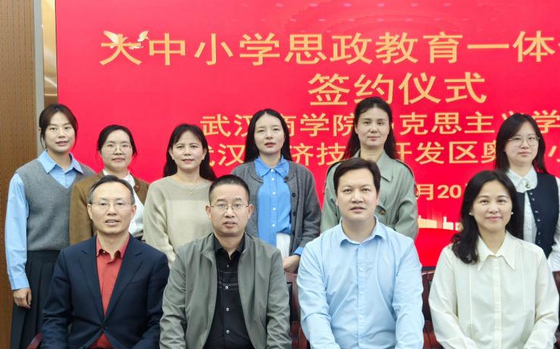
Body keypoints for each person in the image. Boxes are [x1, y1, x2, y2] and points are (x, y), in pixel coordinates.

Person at [151, 175, 295, 349]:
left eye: (237, 205)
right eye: (221, 205)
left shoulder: (268, 257)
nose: (229, 212)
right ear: (208, 211)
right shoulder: (187, 256)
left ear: (249, 211)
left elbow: (279, 320)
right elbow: (171, 320)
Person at [28, 176, 168, 349]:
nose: (111, 211)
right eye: (103, 204)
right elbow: (55, 318)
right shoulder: (70, 258)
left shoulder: (153, 261)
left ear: (133, 210)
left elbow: (158, 324)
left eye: (120, 204)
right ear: (90, 211)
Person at [299, 158, 428, 349]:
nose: (356, 197)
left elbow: (409, 311)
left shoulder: (402, 248)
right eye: (347, 190)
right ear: (335, 198)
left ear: (378, 196)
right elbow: (314, 315)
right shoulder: (316, 251)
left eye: (365, 190)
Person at [429, 170, 558, 349]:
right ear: (470, 209)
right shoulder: (451, 256)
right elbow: (443, 317)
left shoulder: (533, 256)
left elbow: (547, 317)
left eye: (501, 200)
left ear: (512, 208)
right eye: (484, 201)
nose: (493, 208)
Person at [5, 103, 96, 349]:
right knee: (40, 334)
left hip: (81, 265)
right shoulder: (24, 176)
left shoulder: (89, 176)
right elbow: (14, 232)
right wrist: (19, 280)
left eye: (67, 128)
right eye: (53, 128)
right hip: (41, 267)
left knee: (78, 331)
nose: (61, 134)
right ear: (42, 133)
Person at [232, 108, 320, 273]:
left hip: (289, 255)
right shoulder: (240, 174)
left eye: (275, 129)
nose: (269, 135)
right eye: (261, 131)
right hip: (248, 256)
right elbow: (231, 219)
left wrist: (298, 255)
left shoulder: (302, 175)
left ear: (284, 135)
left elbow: (312, 222)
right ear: (253, 137)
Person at [321, 97, 418, 239]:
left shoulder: (402, 173)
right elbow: (328, 223)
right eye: (366, 122)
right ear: (356, 127)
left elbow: (408, 225)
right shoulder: (337, 171)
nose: (373, 129)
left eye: (380, 123)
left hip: (389, 248)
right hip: (343, 248)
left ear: (389, 128)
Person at [494, 113, 560, 271]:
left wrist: (546, 271)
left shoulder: (554, 184)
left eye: (531, 138)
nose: (525, 145)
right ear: (503, 145)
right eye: (516, 138)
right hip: (499, 276)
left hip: (548, 275)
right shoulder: (491, 185)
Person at [144, 124, 217, 265]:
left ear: (204, 153)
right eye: (180, 147)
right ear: (171, 153)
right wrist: (179, 270)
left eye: (193, 146)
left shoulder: (215, 190)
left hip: (210, 271)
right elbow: (155, 238)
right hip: (170, 273)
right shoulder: (158, 189)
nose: (187, 152)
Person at [69, 124, 149, 244]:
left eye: (124, 145)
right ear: (100, 152)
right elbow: (80, 239)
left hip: (143, 251)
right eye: (111, 145)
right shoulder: (83, 189)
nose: (118, 151)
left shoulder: (147, 188)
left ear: (132, 151)